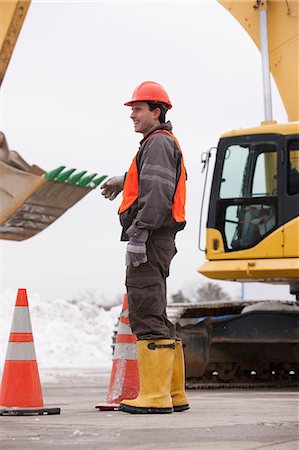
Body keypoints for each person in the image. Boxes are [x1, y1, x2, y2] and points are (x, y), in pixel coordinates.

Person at [101, 81, 189, 414]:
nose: (132, 115)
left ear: (157, 111)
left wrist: (139, 234)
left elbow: (157, 193)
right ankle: (173, 393)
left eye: (137, 109)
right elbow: (153, 179)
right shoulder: (157, 144)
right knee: (157, 313)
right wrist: (124, 179)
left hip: (151, 237)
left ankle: (154, 397)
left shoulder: (158, 144)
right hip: (159, 238)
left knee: (145, 312)